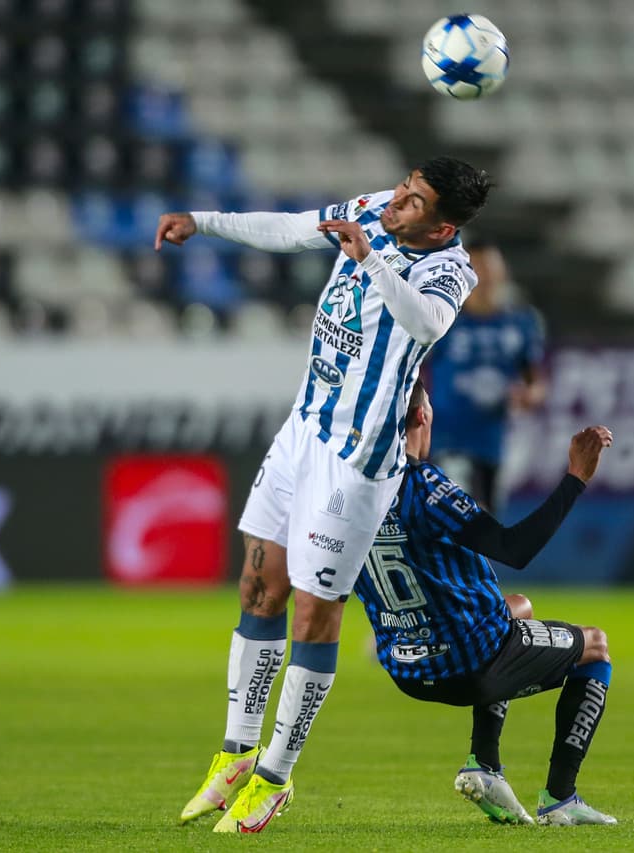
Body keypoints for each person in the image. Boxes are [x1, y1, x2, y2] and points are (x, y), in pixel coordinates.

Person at [155, 157, 493, 833]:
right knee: (260, 586)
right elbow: (292, 227)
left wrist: (371, 260)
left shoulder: (452, 269)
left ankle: (275, 777)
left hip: (358, 462)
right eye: (403, 187)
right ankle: (235, 753)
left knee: (315, 611)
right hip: (303, 431)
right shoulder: (371, 208)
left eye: (414, 201)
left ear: (443, 223)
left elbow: (424, 323)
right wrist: (205, 222)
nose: (396, 201)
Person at [352, 380, 617, 826]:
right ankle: (560, 799)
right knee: (596, 647)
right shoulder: (425, 487)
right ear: (421, 416)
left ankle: (486, 765)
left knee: (519, 607)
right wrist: (575, 480)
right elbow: (514, 549)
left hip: (407, 667)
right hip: (468, 664)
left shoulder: (352, 492)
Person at [424, 241, 546, 513]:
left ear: (502, 273)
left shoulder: (520, 323)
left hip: (493, 440)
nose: (484, 277)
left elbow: (534, 381)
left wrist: (529, 396)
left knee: (485, 522)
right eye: (477, 269)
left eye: (490, 269)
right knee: (458, 517)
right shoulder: (444, 319)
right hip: (448, 437)